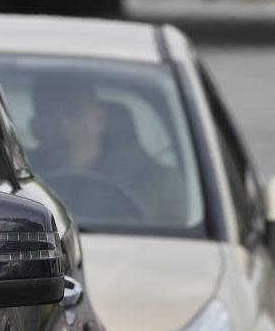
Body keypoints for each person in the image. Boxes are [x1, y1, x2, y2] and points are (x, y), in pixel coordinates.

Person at [30, 72, 183, 221]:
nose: (63, 125)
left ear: (100, 119)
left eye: (74, 111)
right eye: (50, 115)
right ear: (35, 128)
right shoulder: (19, 185)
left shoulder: (160, 184)